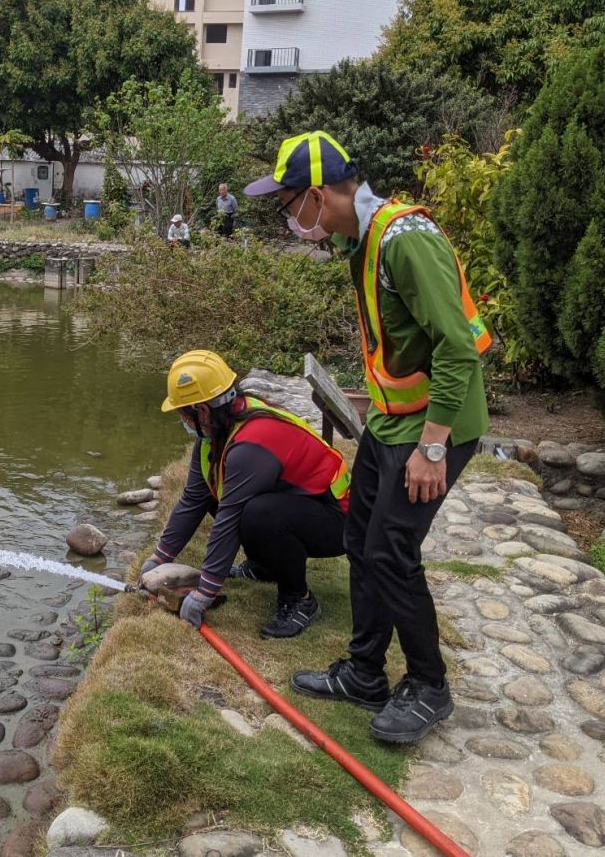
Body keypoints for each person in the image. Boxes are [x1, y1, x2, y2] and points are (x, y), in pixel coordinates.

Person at [243, 131, 491, 743]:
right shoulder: (359, 239)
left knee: (391, 550)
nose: (287, 218)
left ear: (318, 195)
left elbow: (458, 347)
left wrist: (433, 446)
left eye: (288, 203)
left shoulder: (406, 239)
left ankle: (429, 685)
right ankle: (364, 671)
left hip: (436, 424)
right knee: (360, 538)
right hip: (390, 418)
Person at [139, 350, 351, 639]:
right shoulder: (218, 429)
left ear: (202, 411)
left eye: (182, 414)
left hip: (339, 520)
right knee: (222, 494)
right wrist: (159, 558)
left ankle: (299, 600)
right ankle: (265, 567)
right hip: (302, 505)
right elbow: (194, 499)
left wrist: (204, 593)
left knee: (258, 515)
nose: (183, 421)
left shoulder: (253, 443)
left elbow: (229, 518)